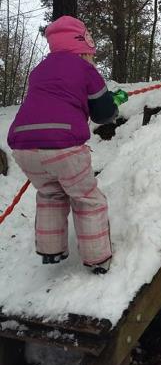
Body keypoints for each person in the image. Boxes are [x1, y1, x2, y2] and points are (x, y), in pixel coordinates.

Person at [7, 15, 119, 275]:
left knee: (50, 194)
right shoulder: (85, 70)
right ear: (83, 48)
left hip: (23, 145)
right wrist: (112, 106)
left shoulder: (39, 70)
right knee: (86, 198)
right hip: (64, 144)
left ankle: (51, 250)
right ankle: (97, 259)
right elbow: (103, 113)